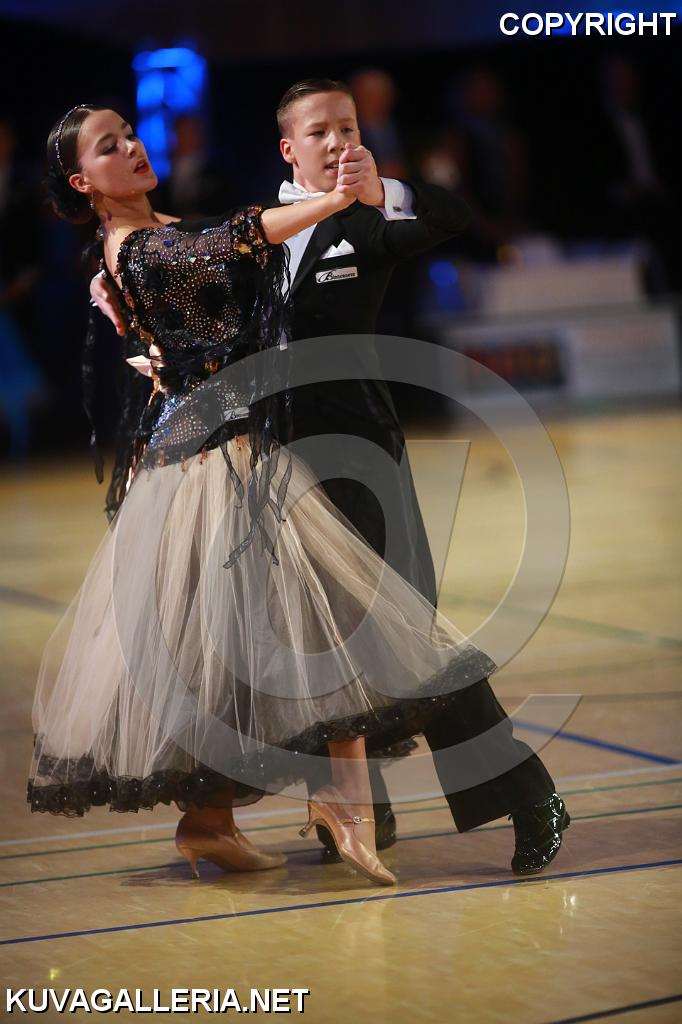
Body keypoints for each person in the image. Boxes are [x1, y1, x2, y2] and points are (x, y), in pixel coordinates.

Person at [90, 79, 571, 877]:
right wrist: (113, 292)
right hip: (266, 459)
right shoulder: (255, 227)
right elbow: (172, 273)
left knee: (405, 637)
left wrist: (385, 191)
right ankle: (363, 811)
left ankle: (527, 794)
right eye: (321, 131)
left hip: (356, 452)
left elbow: (450, 218)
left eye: (349, 127)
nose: (339, 142)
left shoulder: (367, 222)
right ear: (290, 147)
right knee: (315, 640)